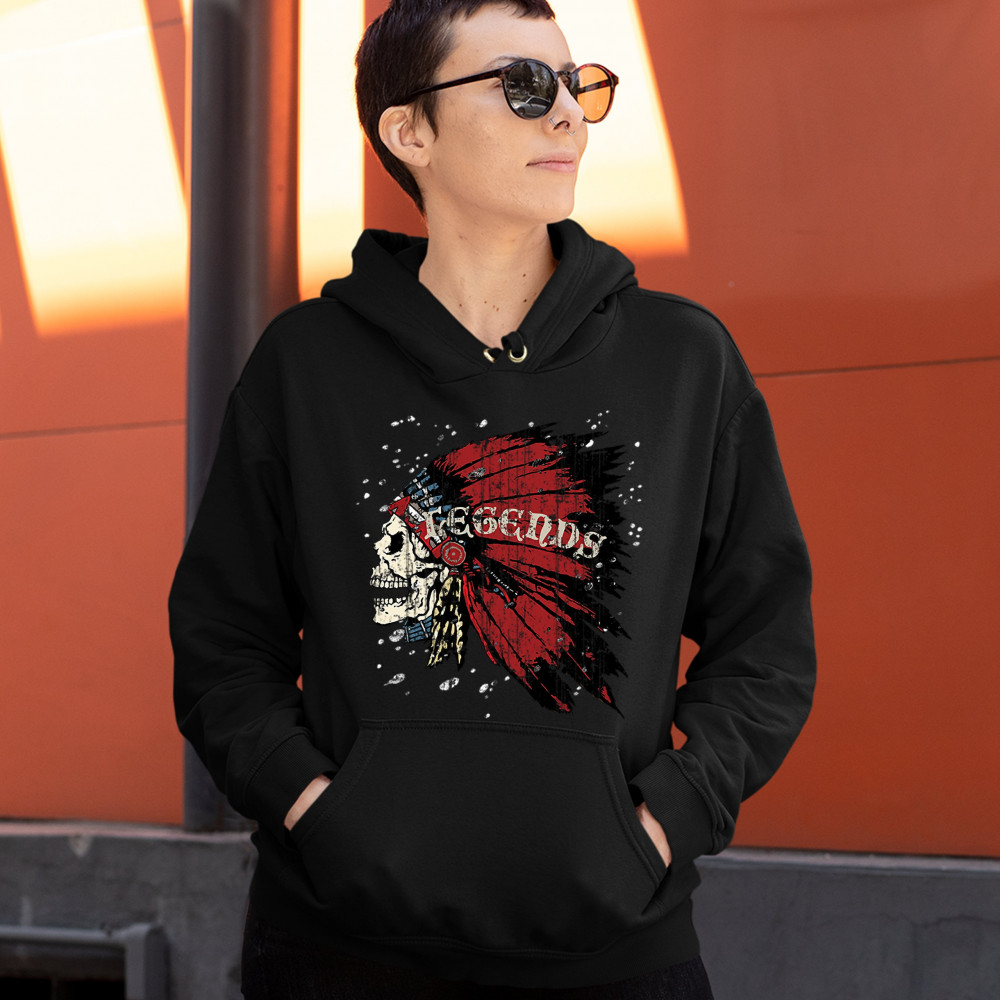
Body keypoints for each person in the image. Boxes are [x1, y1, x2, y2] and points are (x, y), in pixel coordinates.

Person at [168, 1, 817, 997]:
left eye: (576, 84)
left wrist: (665, 819)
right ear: (409, 130)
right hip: (337, 952)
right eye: (522, 85)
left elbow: (766, 642)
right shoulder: (305, 365)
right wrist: (314, 808)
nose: (566, 114)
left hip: (614, 956)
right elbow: (222, 640)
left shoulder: (683, 361)